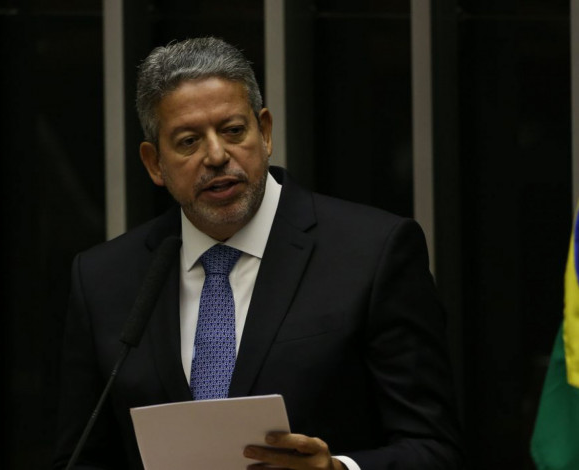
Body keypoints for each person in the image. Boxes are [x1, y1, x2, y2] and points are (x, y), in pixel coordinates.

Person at [53, 37, 463, 470]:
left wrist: (337, 469)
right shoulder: (104, 279)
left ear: (264, 132)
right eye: (189, 141)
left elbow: (434, 450)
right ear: (154, 163)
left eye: (233, 131)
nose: (216, 155)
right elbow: (80, 459)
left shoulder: (372, 253)